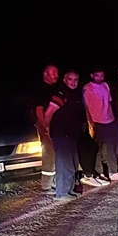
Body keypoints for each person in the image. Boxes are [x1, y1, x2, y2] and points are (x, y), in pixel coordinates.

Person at [44, 70, 88, 200]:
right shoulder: (61, 94)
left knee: (72, 163)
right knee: (64, 164)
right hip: (62, 134)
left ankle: (67, 190)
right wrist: (48, 128)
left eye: (76, 80)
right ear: (64, 80)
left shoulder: (75, 94)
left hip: (72, 135)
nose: (73, 82)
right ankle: (62, 193)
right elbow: (48, 113)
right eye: (70, 79)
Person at [84, 69, 118, 181]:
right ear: (92, 75)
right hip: (96, 121)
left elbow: (109, 103)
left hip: (109, 121)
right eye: (97, 75)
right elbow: (86, 108)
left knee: (112, 148)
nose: (100, 78)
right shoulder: (87, 89)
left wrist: (112, 118)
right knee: (97, 149)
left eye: (102, 75)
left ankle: (113, 171)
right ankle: (99, 172)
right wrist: (91, 123)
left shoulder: (105, 85)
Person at [34, 64, 60, 194]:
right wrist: (46, 126)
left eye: (57, 72)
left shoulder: (54, 88)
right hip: (46, 124)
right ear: (45, 74)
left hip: (55, 124)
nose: (57, 75)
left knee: (56, 153)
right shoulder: (41, 90)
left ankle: (55, 182)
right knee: (49, 153)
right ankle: (46, 185)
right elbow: (39, 109)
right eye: (53, 73)